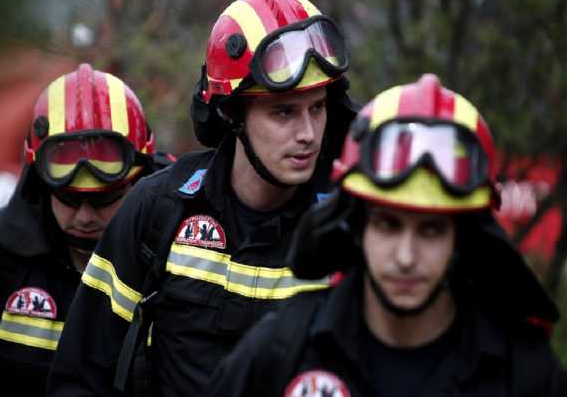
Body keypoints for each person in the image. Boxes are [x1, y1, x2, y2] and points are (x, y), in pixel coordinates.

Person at [47, 0, 357, 397]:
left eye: (317, 108)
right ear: (232, 113)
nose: (307, 134)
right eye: (283, 111)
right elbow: (79, 375)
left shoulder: (348, 226)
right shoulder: (159, 209)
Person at [208, 74, 567, 396]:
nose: (405, 257)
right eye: (388, 225)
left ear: (461, 238)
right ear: (357, 225)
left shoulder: (523, 373)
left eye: (431, 230)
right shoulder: (281, 352)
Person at [0, 63, 169, 397]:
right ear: (41, 182)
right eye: (68, 198)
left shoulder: (179, 254)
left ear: (138, 182)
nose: (86, 217)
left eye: (104, 198)